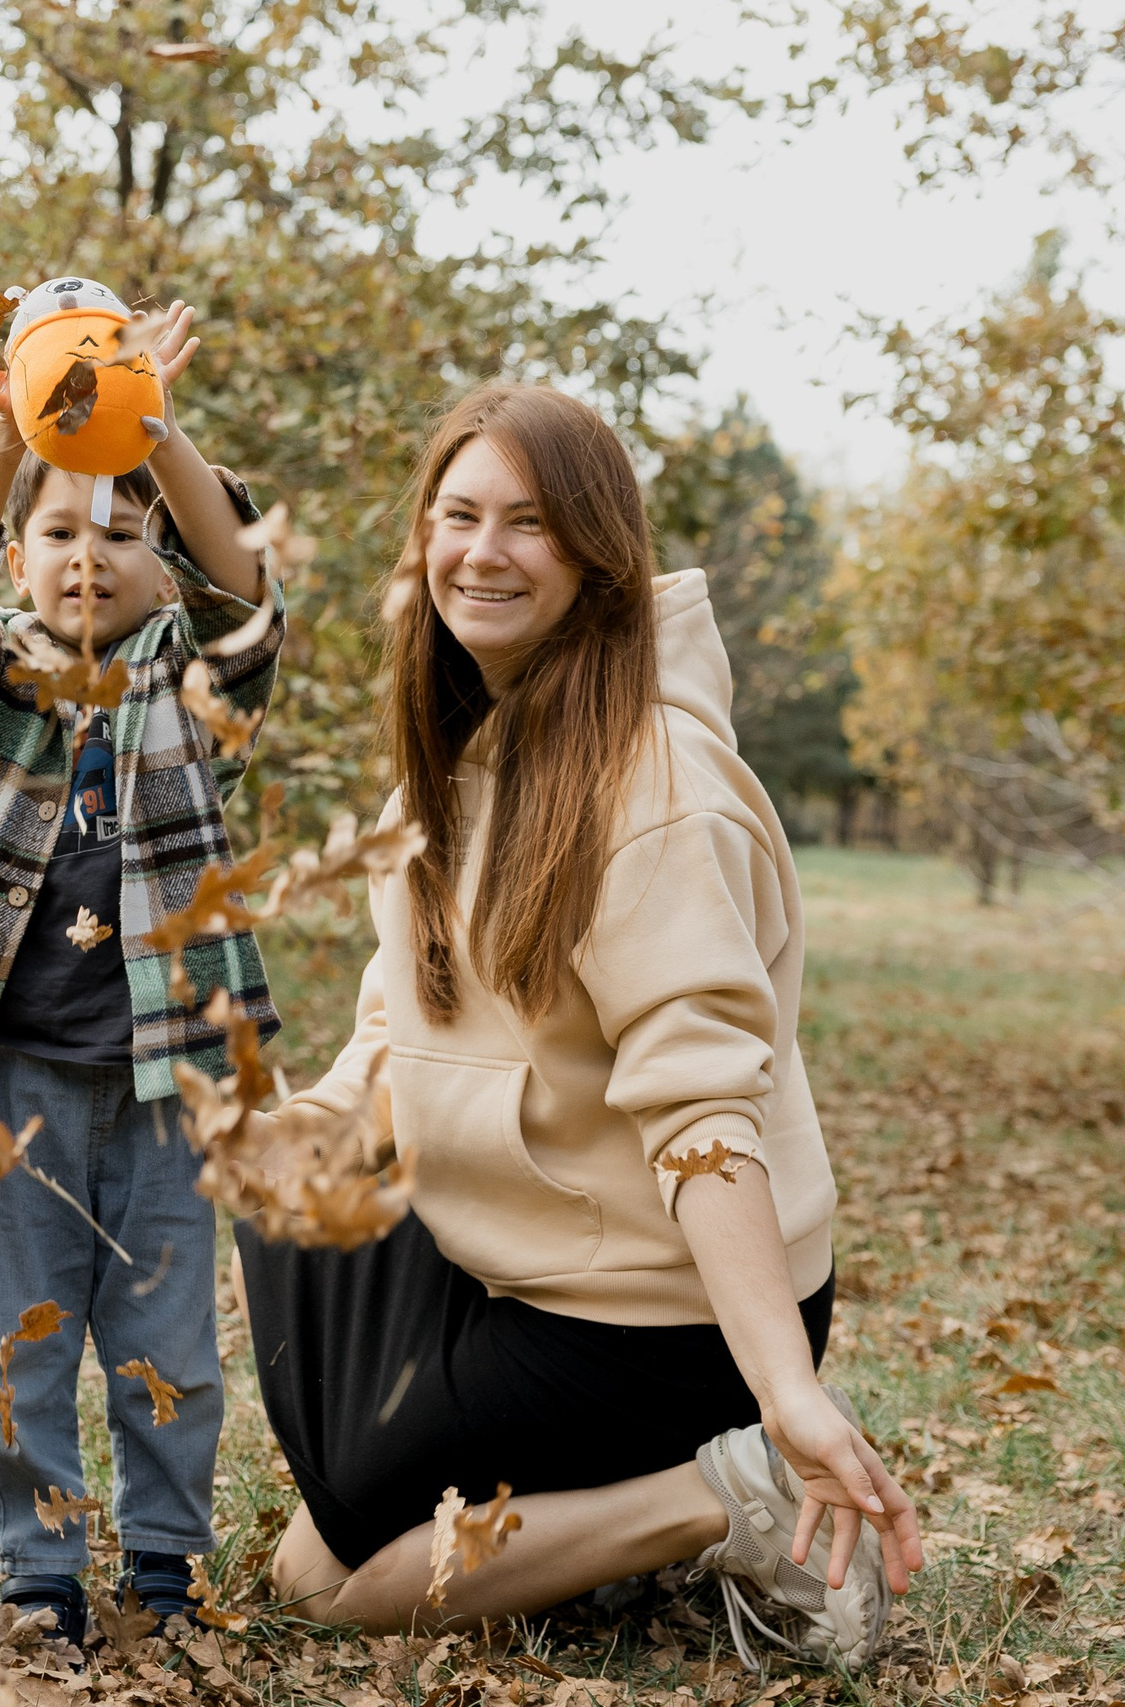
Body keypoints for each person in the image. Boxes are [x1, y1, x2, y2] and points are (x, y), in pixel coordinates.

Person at [235, 381, 923, 1666]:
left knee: (327, 1581)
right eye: (458, 515)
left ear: (598, 556)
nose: (482, 552)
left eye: (530, 523)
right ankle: (620, 1513)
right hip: (502, 1258)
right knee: (322, 1448)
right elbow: (410, 999)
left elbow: (699, 1104)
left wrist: (784, 1392)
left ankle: (725, 1493)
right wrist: (321, 1118)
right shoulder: (460, 750)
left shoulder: (652, 785)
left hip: (654, 1319)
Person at [0, 279, 282, 1645]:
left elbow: (242, 588)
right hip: (10, 1081)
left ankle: (166, 1564)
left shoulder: (191, 689)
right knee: (21, 1339)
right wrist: (8, 439)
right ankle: (38, 1572)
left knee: (169, 1349)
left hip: (164, 1086)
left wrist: (147, 429)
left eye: (120, 529)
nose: (90, 550)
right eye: (57, 529)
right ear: (18, 552)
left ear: (159, 566)